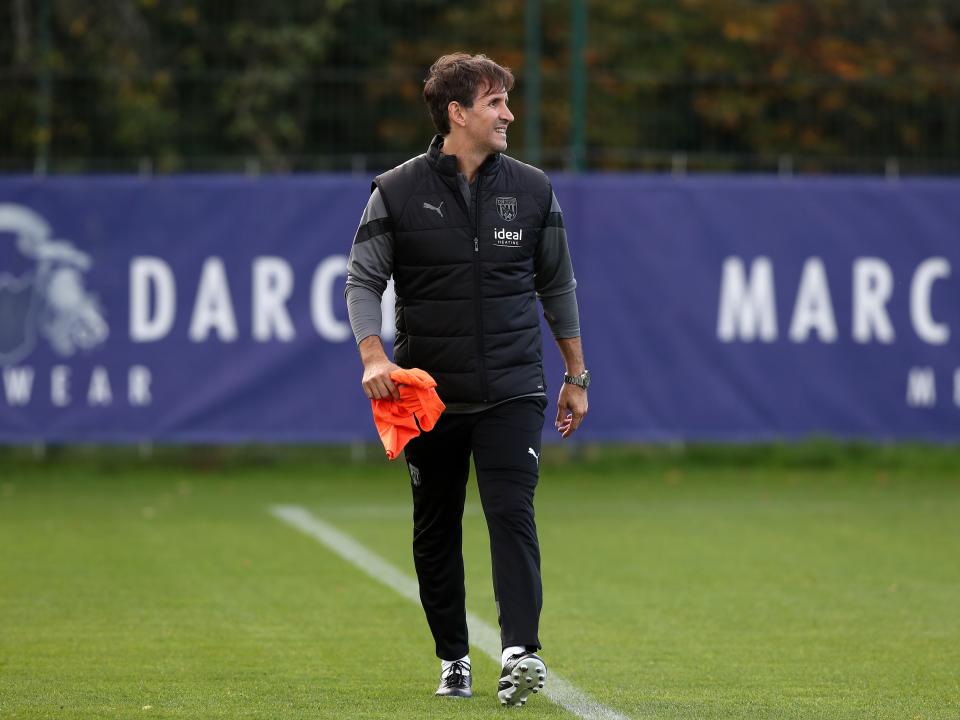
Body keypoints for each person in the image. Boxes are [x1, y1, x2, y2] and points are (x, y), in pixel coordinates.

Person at [344, 52, 589, 707]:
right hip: (427, 392)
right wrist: (374, 356)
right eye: (495, 103)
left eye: (507, 102)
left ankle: (519, 650)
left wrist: (576, 374)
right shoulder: (394, 191)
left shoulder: (534, 190)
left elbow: (557, 284)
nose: (509, 113)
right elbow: (363, 280)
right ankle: (454, 656)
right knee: (435, 525)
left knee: (512, 512)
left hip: (515, 386)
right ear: (458, 113)